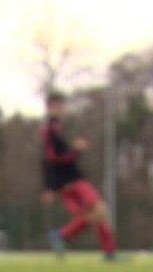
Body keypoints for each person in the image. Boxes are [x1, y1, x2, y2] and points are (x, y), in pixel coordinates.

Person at [40, 91, 117, 260]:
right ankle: (108, 252)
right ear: (49, 107)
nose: (60, 109)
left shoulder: (57, 127)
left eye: (61, 105)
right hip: (69, 182)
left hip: (72, 179)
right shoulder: (48, 130)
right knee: (99, 210)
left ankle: (61, 236)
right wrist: (76, 151)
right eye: (56, 106)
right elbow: (51, 159)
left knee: (93, 215)